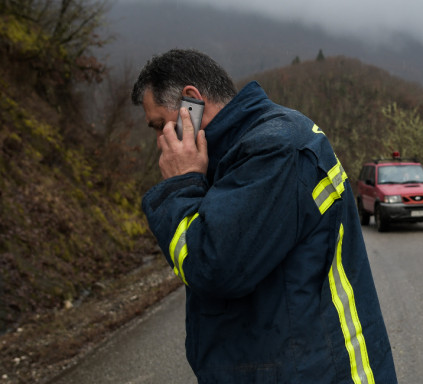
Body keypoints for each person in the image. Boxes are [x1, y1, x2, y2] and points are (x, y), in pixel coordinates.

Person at [130, 49, 397, 383]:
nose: (159, 142)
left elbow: (212, 265)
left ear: (191, 103)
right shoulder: (238, 152)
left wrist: (183, 184)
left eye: (159, 125)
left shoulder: (274, 149)